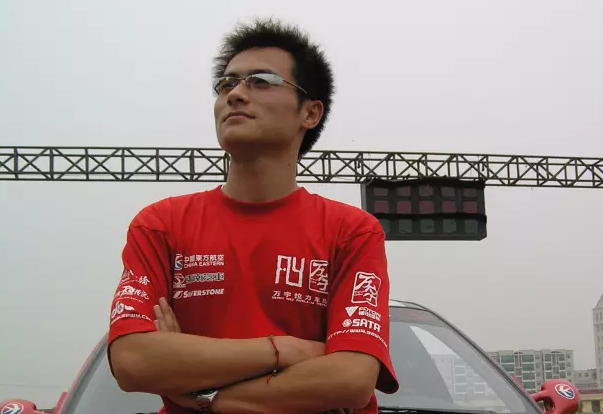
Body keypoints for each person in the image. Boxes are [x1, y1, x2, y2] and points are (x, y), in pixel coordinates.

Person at [107, 17, 399, 414]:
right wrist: (287, 350)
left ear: (310, 113)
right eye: (226, 84)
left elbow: (349, 379)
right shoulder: (161, 225)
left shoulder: (351, 231)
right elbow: (133, 361)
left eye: (261, 81)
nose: (236, 94)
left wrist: (206, 393)